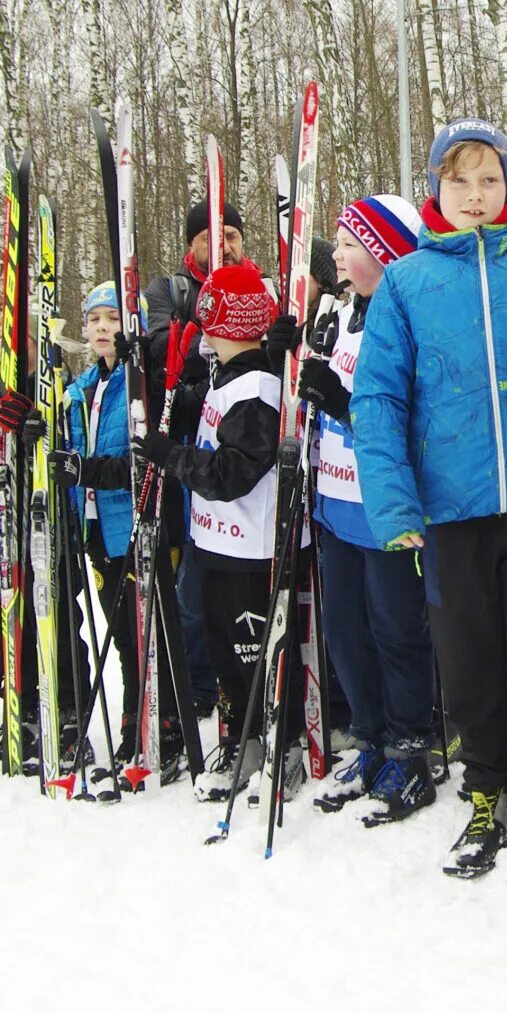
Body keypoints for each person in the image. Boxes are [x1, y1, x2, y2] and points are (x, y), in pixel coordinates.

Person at [351, 118, 507, 880]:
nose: (476, 194)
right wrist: (394, 503)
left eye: (490, 178)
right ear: (436, 187)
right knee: (468, 658)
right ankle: (486, 786)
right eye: (459, 180)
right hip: (450, 509)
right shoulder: (406, 283)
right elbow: (378, 397)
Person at [133, 263, 299, 802]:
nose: (202, 330)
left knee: (256, 658)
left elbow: (232, 474)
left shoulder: (256, 387)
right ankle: (243, 741)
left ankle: (283, 744)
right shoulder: (224, 378)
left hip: (252, 550)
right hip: (217, 546)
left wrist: (172, 457)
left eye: (208, 319)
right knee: (227, 657)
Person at [300, 194, 442, 824]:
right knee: (345, 631)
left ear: (384, 254)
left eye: (349, 244)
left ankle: (410, 748)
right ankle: (370, 738)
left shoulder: (409, 319)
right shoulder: (343, 314)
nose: (336, 255)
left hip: (384, 509)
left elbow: (406, 421)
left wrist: (338, 402)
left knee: (395, 630)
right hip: (336, 503)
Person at [50, 283, 182, 769]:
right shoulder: (82, 389)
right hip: (98, 531)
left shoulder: (143, 382)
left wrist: (85, 471)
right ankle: (134, 720)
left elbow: (143, 462)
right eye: (94, 319)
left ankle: (164, 723)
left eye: (112, 319)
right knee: (124, 637)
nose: (102, 327)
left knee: (149, 633)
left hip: (141, 526)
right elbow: (68, 453)